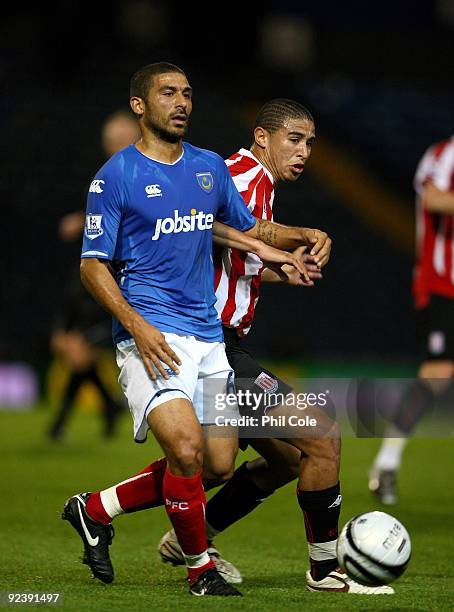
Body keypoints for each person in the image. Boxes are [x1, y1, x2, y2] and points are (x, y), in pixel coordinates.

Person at [70, 96, 391, 596]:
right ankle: (325, 570)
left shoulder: (256, 185)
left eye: (310, 142)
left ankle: (120, 516)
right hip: (210, 341)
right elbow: (219, 232)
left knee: (252, 462)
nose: (304, 151)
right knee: (321, 439)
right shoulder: (236, 175)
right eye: (294, 139)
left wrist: (283, 266)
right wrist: (293, 238)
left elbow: (230, 254)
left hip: (223, 342)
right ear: (262, 137)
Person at [369, 135, 454, 504]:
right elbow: (433, 197)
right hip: (442, 283)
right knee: (437, 374)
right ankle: (386, 463)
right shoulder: (445, 153)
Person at [48, 110, 140, 440]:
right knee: (75, 350)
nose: (113, 146)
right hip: (91, 281)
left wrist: (81, 218)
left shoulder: (145, 175)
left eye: (119, 139)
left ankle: (65, 422)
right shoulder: (103, 178)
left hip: (127, 283)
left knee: (79, 351)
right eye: (109, 141)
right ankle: (105, 408)